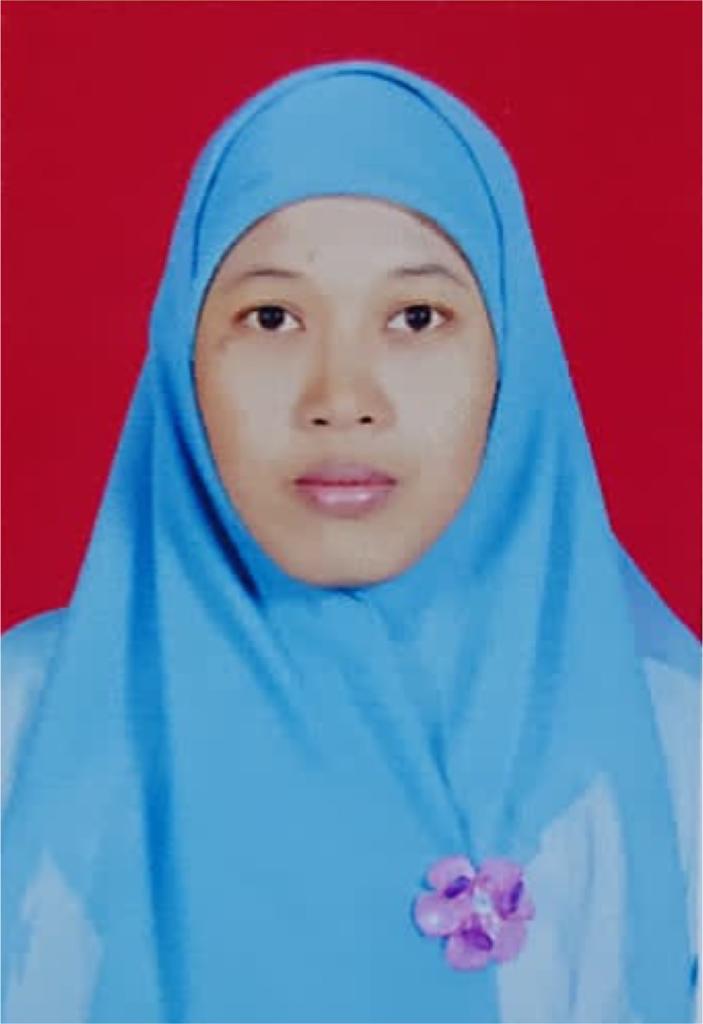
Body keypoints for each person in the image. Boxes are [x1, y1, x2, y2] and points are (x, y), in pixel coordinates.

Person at [1, 60, 699, 1024]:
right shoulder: (21, 730)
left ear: (511, 362)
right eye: (271, 317)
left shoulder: (671, 753)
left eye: (416, 318)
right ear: (184, 361)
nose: (341, 399)